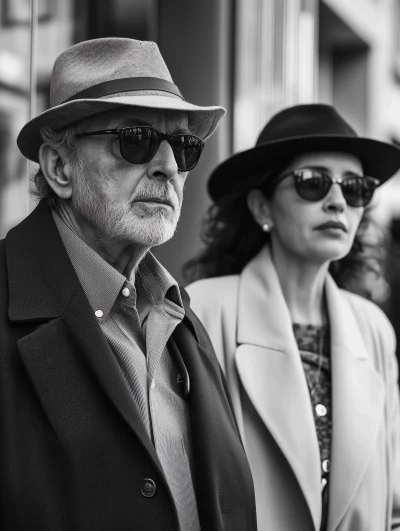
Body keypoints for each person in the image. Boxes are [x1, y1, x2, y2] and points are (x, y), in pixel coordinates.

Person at [0, 38, 257, 531]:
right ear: (59, 167)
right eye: (135, 139)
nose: (167, 167)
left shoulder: (182, 320)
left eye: (183, 147)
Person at [186, 104, 400, 531]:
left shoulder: (373, 327)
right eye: (312, 183)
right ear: (262, 207)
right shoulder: (203, 311)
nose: (338, 201)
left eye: (355, 188)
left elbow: (392, 506)